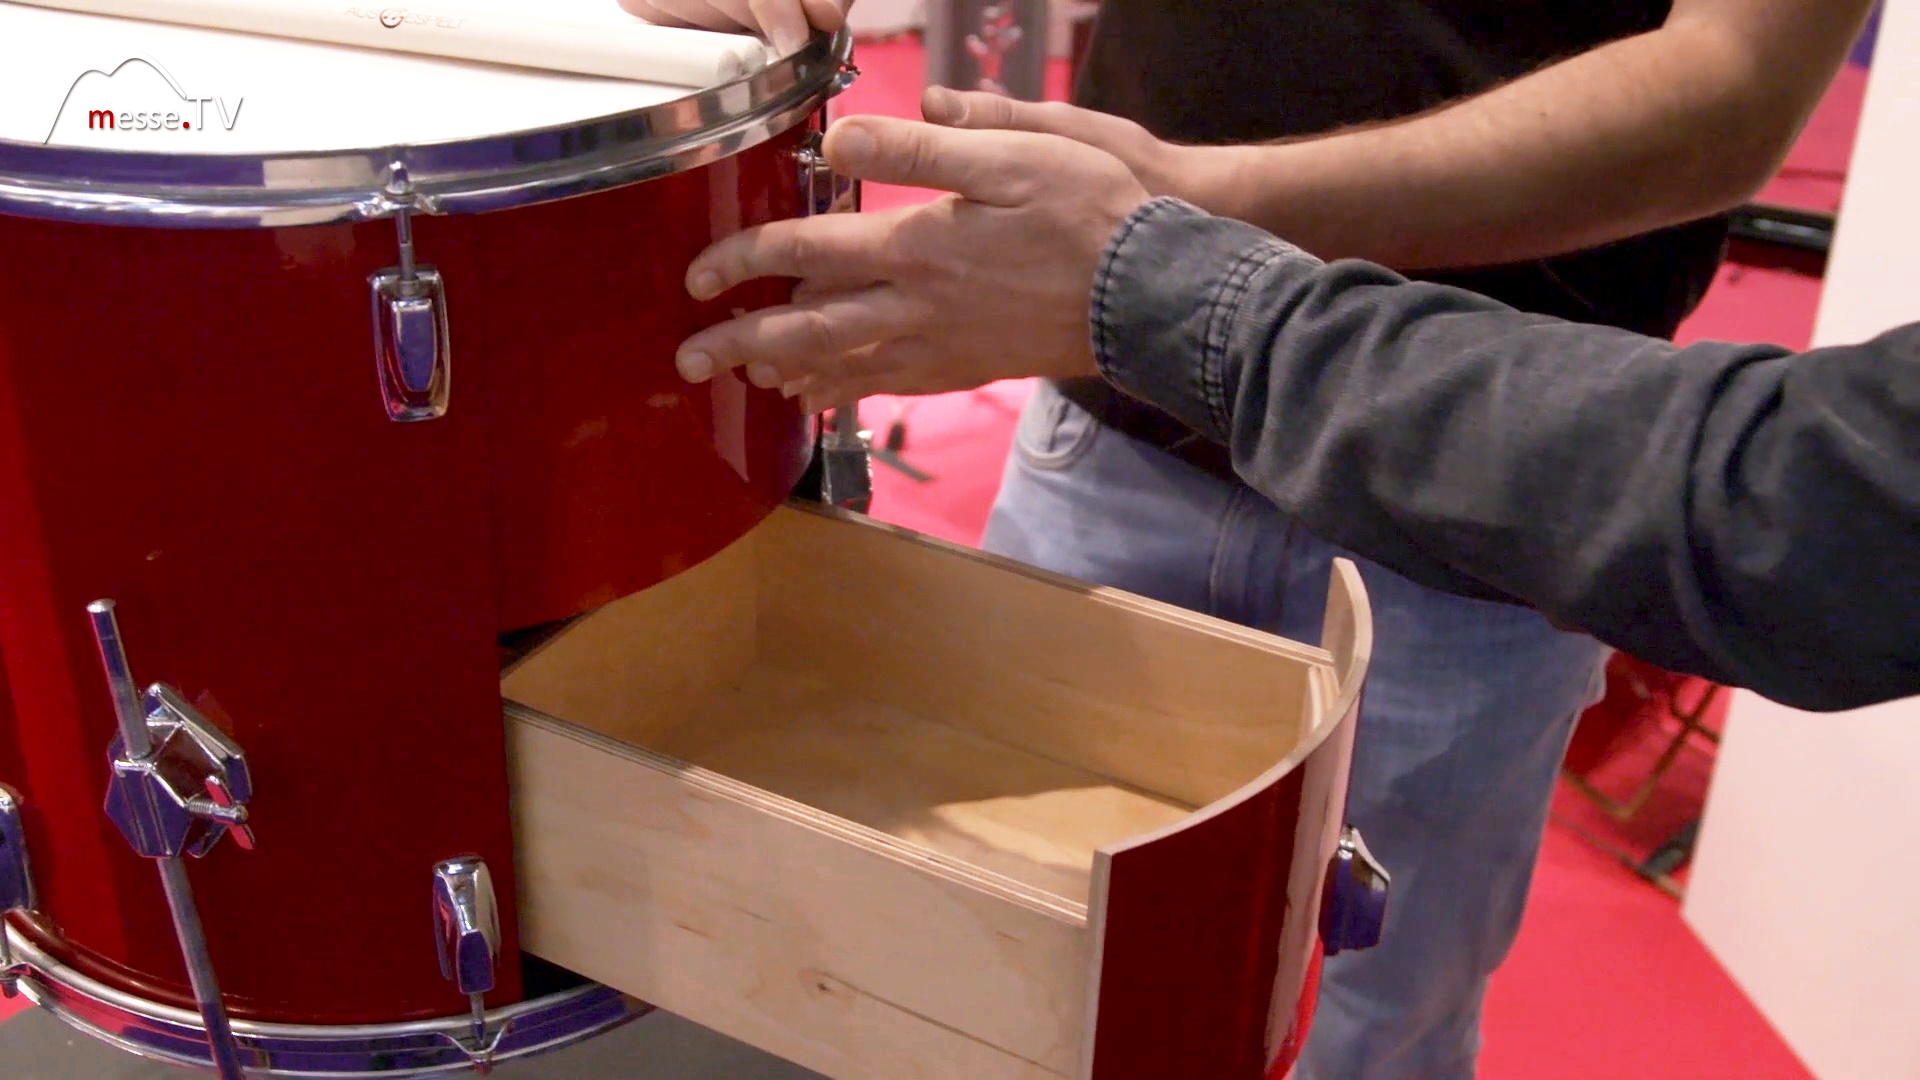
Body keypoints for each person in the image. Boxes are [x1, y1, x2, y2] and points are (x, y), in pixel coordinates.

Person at [672, 112, 1920, 713]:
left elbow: (1807, 516)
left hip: (1489, 519)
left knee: (1377, 1002)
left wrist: (1168, 243)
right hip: (1108, 420)